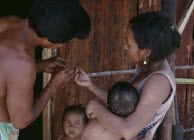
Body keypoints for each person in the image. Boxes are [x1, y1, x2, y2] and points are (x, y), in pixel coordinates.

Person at [0, 0, 91, 139]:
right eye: (67, 42)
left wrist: (40, 66)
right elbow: (21, 120)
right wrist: (54, 85)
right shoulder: (22, 62)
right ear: (50, 40)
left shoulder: (7, 23)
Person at [75, 11, 181, 140]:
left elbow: (128, 130)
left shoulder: (159, 82)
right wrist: (91, 86)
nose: (124, 46)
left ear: (146, 52)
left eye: (128, 44)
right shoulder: (147, 68)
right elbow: (122, 107)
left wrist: (97, 108)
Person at [75, 79, 139, 140]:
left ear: (107, 99)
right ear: (136, 106)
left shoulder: (99, 108)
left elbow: (90, 115)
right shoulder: (124, 126)